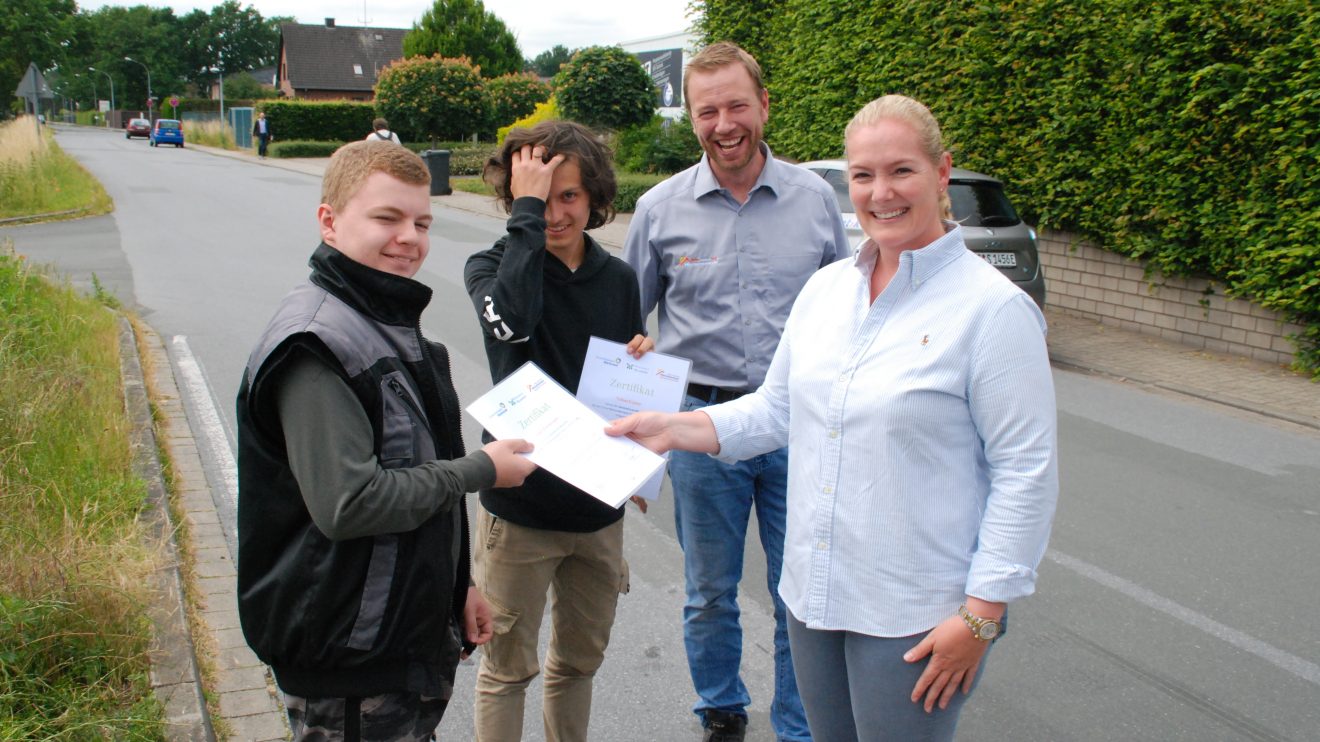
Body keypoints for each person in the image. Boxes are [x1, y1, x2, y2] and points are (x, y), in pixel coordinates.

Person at [608, 94, 1059, 742]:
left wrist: (983, 615)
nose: (882, 193)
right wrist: (674, 428)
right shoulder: (826, 291)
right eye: (863, 176)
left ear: (941, 173)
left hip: (913, 613)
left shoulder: (993, 312)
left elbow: (1027, 472)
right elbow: (779, 407)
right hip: (814, 596)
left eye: (901, 171)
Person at [235, 140, 537, 741]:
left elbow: (418, 466)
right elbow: (351, 504)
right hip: (347, 659)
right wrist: (482, 470)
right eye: (387, 218)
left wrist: (458, 589)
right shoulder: (317, 344)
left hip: (389, 636)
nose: (410, 238)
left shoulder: (378, 316)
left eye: (422, 222)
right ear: (330, 221)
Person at [621, 41, 850, 742]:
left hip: (797, 428)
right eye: (707, 109)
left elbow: (852, 316)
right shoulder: (658, 211)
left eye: (736, 105)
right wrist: (633, 456)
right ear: (692, 117)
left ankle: (796, 723)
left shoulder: (816, 200)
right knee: (710, 594)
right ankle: (721, 708)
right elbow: (624, 333)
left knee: (800, 596)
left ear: (764, 106)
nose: (724, 123)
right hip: (700, 429)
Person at [463, 120, 652, 742]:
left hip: (597, 513)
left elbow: (615, 391)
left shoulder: (619, 279)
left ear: (594, 198)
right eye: (537, 197)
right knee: (506, 670)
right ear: (514, 196)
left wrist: (638, 459)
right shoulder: (490, 267)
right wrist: (526, 213)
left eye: (567, 196)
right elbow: (513, 325)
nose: (552, 213)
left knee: (578, 665)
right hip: (520, 511)